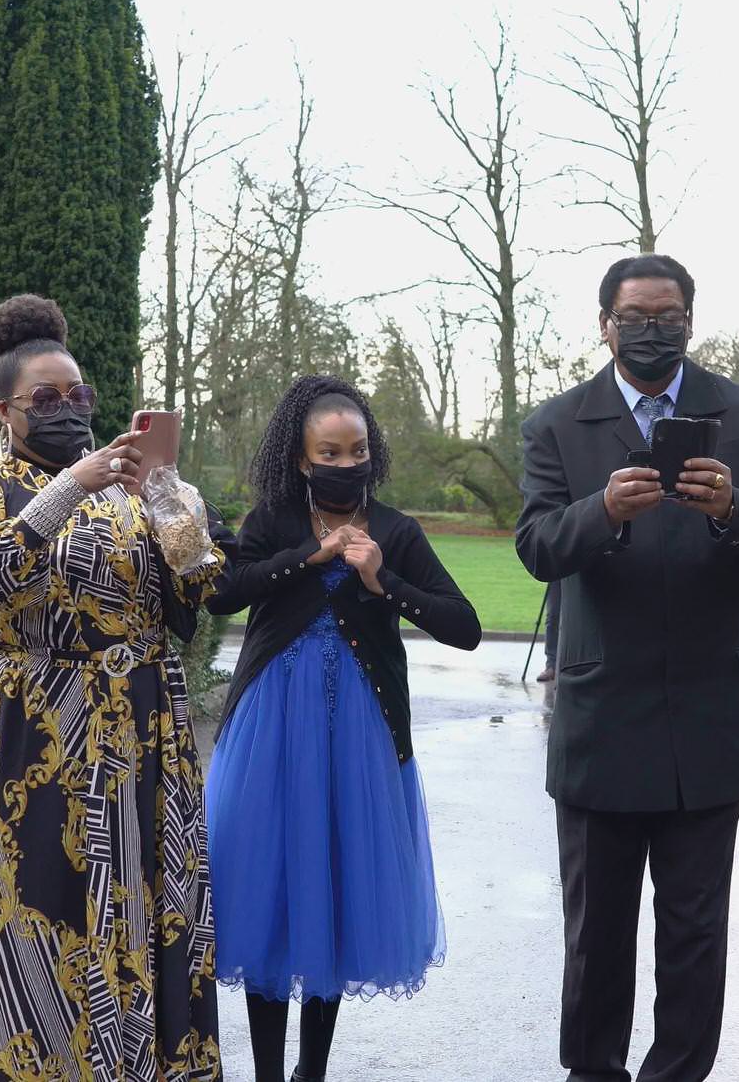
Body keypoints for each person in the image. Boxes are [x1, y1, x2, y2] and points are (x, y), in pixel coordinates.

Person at [0, 294, 225, 1082]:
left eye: (78, 396)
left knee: (145, 906)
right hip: (31, 731)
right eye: (44, 400)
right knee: (35, 905)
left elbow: (194, 595)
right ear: (5, 409)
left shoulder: (136, 493)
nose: (67, 410)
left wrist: (172, 506)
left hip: (142, 732)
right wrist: (73, 486)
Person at [515, 253, 739, 1082]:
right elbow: (536, 546)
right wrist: (601, 510)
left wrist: (733, 510)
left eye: (669, 315)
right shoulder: (559, 425)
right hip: (603, 714)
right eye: (637, 316)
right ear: (604, 323)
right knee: (598, 932)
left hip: (714, 717)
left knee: (695, 932)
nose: (653, 329)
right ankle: (594, 1072)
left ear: (690, 320)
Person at [204, 375, 480, 1082]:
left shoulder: (396, 529)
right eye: (329, 450)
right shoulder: (272, 518)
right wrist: (312, 558)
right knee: (269, 895)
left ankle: (311, 1073)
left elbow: (465, 626)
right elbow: (225, 592)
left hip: (357, 737)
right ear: (302, 458)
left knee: (334, 891)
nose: (345, 461)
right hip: (271, 733)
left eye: (356, 448)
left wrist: (384, 581)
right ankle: (269, 1073)